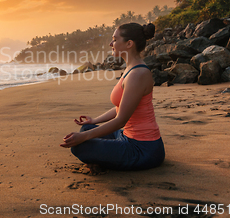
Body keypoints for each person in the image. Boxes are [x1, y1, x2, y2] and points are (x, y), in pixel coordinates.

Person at [60, 22, 165, 171]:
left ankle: (104, 160)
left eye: (115, 39)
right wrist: (95, 120)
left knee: (80, 146)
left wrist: (84, 138)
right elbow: (121, 108)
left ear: (129, 44)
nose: (111, 43)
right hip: (126, 136)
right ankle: (103, 158)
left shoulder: (138, 75)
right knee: (87, 128)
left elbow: (121, 120)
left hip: (143, 149)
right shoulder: (130, 69)